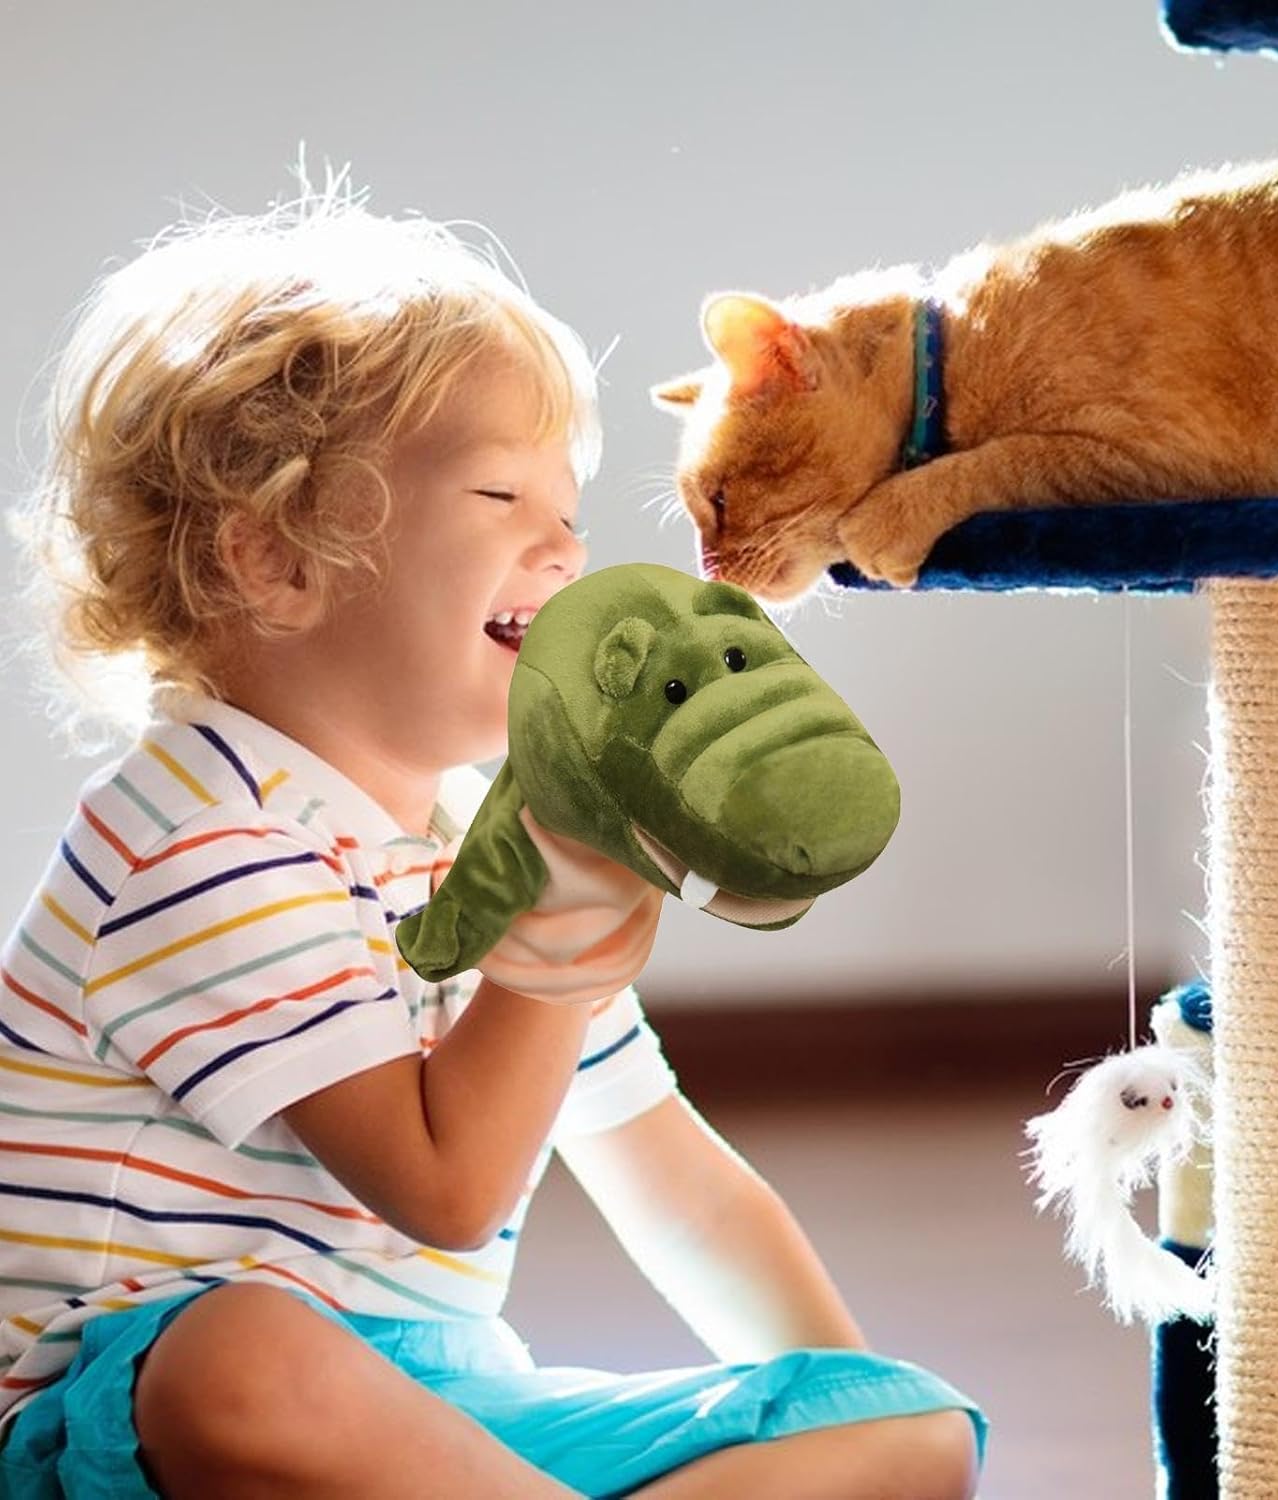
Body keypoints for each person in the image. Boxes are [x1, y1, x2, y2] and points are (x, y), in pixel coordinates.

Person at [0, 182, 988, 1498]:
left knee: (907, 1429)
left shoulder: (472, 831)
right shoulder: (198, 840)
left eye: (567, 507)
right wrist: (551, 952)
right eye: (500, 493)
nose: (567, 545)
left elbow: (679, 1191)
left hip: (440, 1420)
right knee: (241, 1358)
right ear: (277, 562)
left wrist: (837, 1391)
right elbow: (446, 1191)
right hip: (119, 1428)